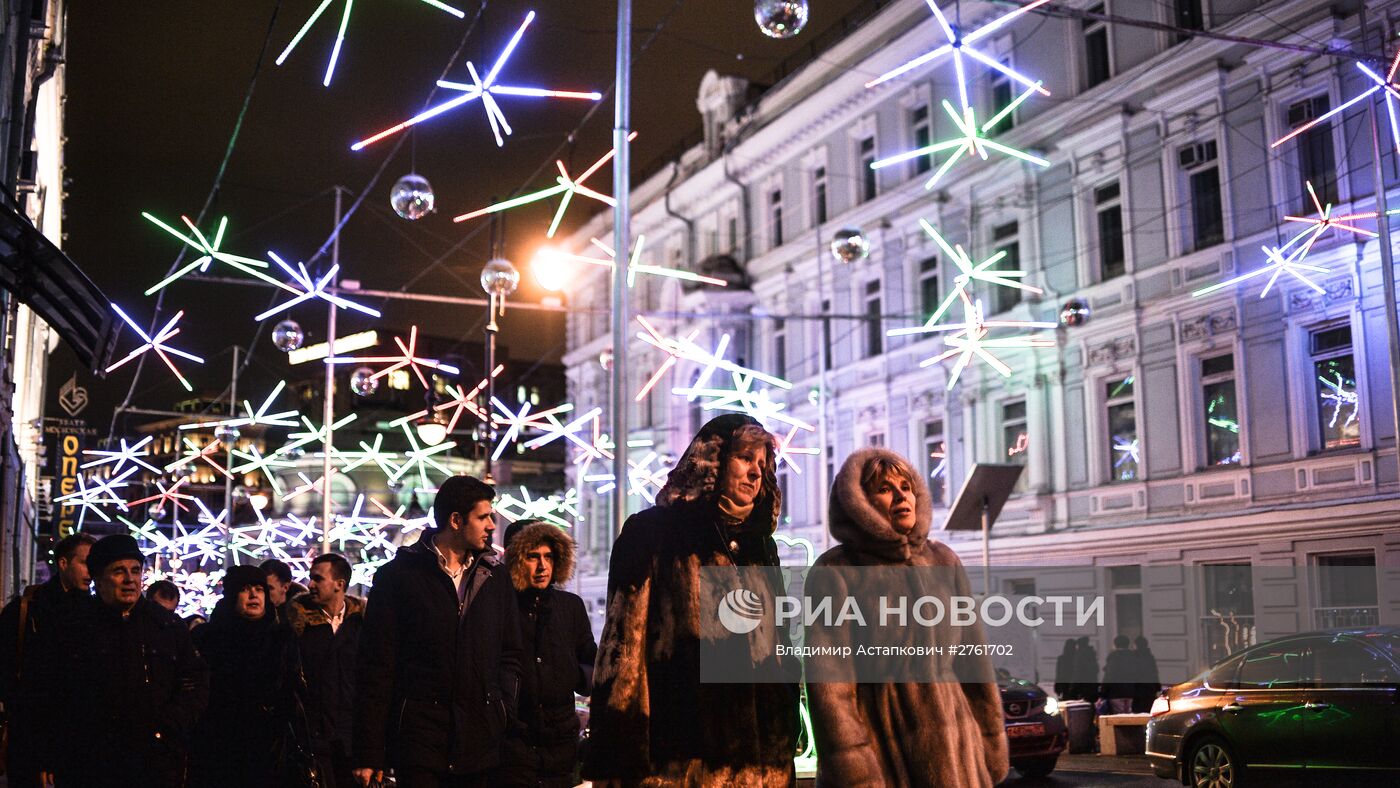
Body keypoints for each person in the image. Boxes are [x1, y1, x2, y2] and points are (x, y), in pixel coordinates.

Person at [584, 414, 800, 786]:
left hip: (760, 765)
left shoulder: (759, 545)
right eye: (746, 458)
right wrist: (619, 758)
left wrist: (784, 734)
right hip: (681, 764)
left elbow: (777, 653)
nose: (756, 473)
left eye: (763, 465)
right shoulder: (656, 532)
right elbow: (623, 652)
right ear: (713, 459)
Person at [806, 448, 1008, 787]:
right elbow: (831, 688)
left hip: (960, 752)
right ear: (860, 502)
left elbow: (974, 662)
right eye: (885, 489)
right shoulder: (837, 571)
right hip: (885, 752)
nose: (902, 496)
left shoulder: (944, 561)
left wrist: (989, 739)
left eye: (907, 486)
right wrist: (856, 769)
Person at [354, 475, 523, 788]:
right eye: (484, 517)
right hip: (419, 743)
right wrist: (369, 749)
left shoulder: (495, 577)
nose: (491, 526)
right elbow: (376, 666)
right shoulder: (399, 577)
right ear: (456, 520)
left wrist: (501, 708)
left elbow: (510, 651)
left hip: (479, 742)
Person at [43, 534, 208, 786]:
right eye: (119, 571)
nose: (130, 579)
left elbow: (195, 682)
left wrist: (169, 727)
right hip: (88, 763)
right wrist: (50, 752)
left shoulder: (167, 626)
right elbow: (49, 692)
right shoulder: (72, 626)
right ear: (98, 577)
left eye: (135, 570)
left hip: (154, 763)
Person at [190, 563, 311, 787]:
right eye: (245, 588)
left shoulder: (282, 638)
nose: (254, 594)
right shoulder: (208, 639)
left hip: (271, 750)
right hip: (218, 748)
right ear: (232, 595)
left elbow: (295, 693)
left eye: (259, 588)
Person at [499, 520, 598, 788]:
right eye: (533, 557)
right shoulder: (499, 607)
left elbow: (591, 668)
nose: (542, 566)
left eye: (548, 557)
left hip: (560, 747)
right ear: (515, 559)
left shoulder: (570, 607)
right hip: (513, 747)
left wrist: (569, 673)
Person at [0, 533, 95, 788]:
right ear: (63, 563)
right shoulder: (27, 608)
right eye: (85, 562)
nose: (91, 571)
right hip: (29, 739)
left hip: (76, 745)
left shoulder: (95, 614)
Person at [289, 552, 365, 788]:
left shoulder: (361, 625)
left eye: (318, 579)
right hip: (313, 738)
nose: (310, 584)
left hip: (353, 740)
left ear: (339, 584)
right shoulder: (297, 625)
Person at [1100, 635, 1136, 714]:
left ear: (1115, 644)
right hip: (1130, 691)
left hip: (1116, 692)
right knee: (1129, 715)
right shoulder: (1133, 656)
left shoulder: (1114, 657)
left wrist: (1103, 692)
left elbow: (1109, 676)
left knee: (1119, 716)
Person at [1131, 635, 1161, 713]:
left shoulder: (1133, 656)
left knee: (1138, 710)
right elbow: (1154, 672)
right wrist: (1157, 686)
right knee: (1149, 709)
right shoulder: (1150, 656)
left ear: (1136, 645)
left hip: (1137, 688)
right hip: (1149, 687)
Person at [1074, 636, 1100, 706]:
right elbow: (1096, 670)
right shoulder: (1091, 654)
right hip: (1092, 684)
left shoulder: (1080, 655)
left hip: (1082, 685)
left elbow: (1078, 672)